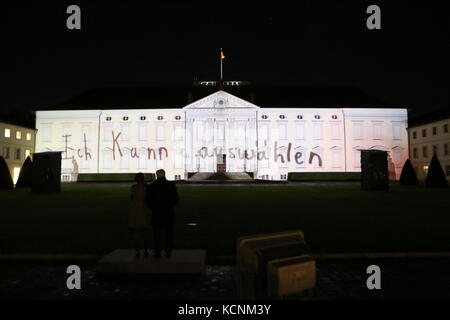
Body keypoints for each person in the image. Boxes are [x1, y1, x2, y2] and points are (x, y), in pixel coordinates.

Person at [146, 169, 179, 258]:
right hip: (168, 212)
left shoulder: (152, 186)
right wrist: (169, 206)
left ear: (157, 175)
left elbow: (148, 200)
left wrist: (153, 208)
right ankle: (168, 251)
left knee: (157, 234)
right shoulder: (171, 185)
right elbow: (175, 199)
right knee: (168, 233)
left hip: (156, 213)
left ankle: (158, 251)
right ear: (164, 174)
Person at [129, 172, 150, 258]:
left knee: (136, 231)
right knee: (145, 231)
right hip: (144, 209)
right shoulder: (146, 187)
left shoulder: (133, 187)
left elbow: (131, 198)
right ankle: (145, 250)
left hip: (135, 209)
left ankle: (137, 251)